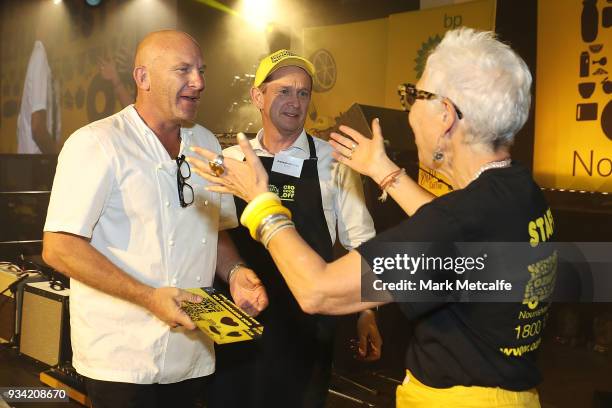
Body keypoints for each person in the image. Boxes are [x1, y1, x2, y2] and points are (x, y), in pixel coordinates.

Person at [190, 28, 557, 407]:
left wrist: (260, 201)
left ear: (445, 114)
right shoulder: (518, 194)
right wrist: (386, 172)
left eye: (414, 95)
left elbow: (318, 289)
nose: (409, 110)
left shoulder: (457, 222)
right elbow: (452, 225)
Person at [42, 30, 268, 408]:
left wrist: (236, 272)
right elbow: (59, 248)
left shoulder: (208, 145)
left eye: (201, 70)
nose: (198, 83)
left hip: (194, 356)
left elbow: (212, 230)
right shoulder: (96, 143)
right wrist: (148, 298)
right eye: (183, 70)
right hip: (121, 361)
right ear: (143, 78)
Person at [207, 49, 381, 408]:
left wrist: (367, 312)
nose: (295, 101)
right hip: (239, 323)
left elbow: (363, 243)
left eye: (303, 93)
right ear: (258, 96)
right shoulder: (231, 161)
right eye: (284, 91)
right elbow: (212, 238)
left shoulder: (333, 161)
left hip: (306, 331)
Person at [17, 7, 61, 154]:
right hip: (35, 165)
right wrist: (57, 158)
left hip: (37, 164)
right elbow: (37, 128)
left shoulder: (44, 60)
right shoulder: (40, 55)